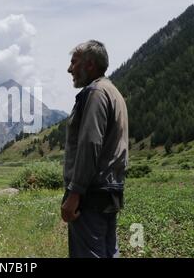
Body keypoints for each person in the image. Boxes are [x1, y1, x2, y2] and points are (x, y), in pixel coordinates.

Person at [61, 40, 129, 258]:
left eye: (74, 62)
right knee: (108, 251)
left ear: (89, 64)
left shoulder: (95, 93)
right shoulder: (113, 92)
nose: (70, 69)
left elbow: (90, 144)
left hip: (91, 194)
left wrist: (75, 193)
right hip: (110, 191)